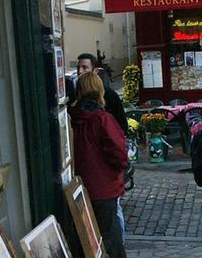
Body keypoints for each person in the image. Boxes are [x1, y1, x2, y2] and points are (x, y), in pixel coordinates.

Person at [69, 72, 128, 258]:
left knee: (86, 239)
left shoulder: (73, 118)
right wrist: (120, 169)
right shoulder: (102, 119)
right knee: (111, 239)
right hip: (103, 188)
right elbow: (119, 154)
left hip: (81, 187)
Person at [66, 53, 128, 134]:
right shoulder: (74, 95)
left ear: (95, 71)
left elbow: (122, 127)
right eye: (78, 68)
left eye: (84, 68)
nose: (80, 71)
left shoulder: (110, 95)